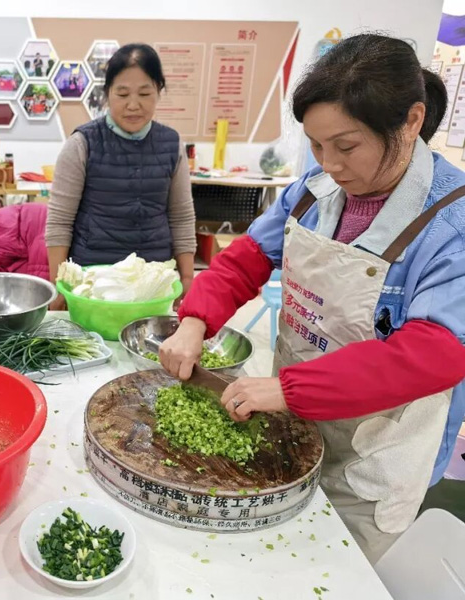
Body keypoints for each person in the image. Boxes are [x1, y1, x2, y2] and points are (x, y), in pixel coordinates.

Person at [160, 34, 465, 562]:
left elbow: (431, 357)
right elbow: (246, 259)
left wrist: (288, 387)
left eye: (346, 147)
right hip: (292, 422)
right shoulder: (315, 188)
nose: (330, 164)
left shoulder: (451, 225)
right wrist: (193, 322)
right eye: (317, 146)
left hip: (373, 460)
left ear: (412, 121)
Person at [45, 43, 196, 310]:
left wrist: (186, 277)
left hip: (154, 282)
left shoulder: (171, 144)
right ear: (107, 94)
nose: (133, 105)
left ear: (159, 92)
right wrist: (61, 286)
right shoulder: (82, 143)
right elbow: (59, 222)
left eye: (145, 93)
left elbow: (181, 216)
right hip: (91, 284)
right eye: (122, 93)